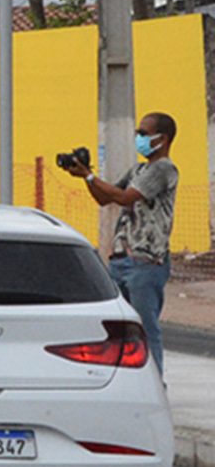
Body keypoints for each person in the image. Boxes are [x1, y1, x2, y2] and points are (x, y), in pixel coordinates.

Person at [68, 111, 179, 372]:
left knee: (144, 329)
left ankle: (155, 384)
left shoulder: (163, 169)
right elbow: (105, 198)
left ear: (162, 139)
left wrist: (91, 177)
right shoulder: (140, 169)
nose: (138, 138)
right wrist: (86, 176)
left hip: (145, 261)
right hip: (121, 260)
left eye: (143, 133)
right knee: (121, 333)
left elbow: (126, 197)